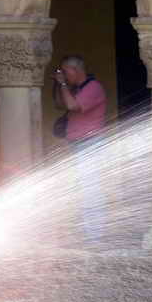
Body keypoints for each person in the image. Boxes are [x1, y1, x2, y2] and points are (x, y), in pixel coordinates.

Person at [52, 55, 108, 247]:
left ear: (75, 70)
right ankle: (84, 233)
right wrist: (59, 85)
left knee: (90, 190)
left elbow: (72, 106)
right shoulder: (76, 88)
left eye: (66, 73)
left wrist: (63, 85)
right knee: (79, 190)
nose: (65, 77)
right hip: (78, 144)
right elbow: (60, 104)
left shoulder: (93, 88)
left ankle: (95, 236)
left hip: (90, 144)